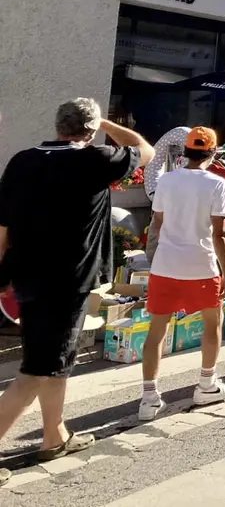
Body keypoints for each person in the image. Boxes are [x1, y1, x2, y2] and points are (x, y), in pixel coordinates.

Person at [0, 100, 154, 473]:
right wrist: (106, 124)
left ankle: (54, 436)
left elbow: (3, 226)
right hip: (65, 282)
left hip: (26, 275)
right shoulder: (95, 159)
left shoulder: (22, 160)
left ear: (57, 126)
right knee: (36, 369)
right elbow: (146, 150)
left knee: (54, 361)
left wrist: (2, 274)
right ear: (89, 130)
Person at [138, 127, 225, 421]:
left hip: (166, 265)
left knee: (156, 332)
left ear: (185, 152)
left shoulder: (166, 180)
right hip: (201, 264)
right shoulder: (218, 184)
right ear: (213, 152)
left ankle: (148, 398)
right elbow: (220, 234)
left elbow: (157, 222)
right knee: (212, 324)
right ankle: (206, 384)